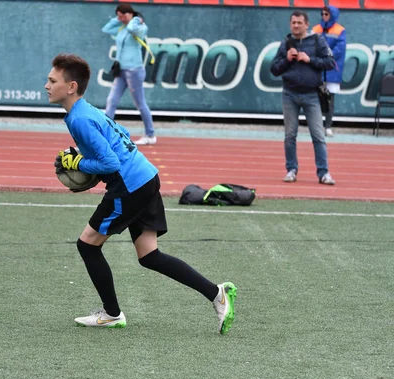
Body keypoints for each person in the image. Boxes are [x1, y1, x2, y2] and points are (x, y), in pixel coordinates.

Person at [45, 53, 237, 334]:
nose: (47, 85)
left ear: (71, 86)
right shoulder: (87, 110)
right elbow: (120, 134)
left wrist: (78, 163)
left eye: (52, 80)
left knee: (87, 244)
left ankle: (111, 314)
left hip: (130, 186)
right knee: (149, 256)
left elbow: (109, 162)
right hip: (146, 176)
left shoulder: (80, 119)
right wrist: (83, 159)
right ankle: (217, 294)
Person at [270, 10, 337, 185]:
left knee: (318, 135)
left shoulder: (317, 40)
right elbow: (274, 69)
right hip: (289, 94)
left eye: (299, 23)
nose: (296, 25)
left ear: (307, 24)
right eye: (293, 22)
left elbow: (331, 63)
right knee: (290, 135)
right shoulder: (285, 43)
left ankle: (323, 173)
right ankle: (291, 170)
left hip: (312, 94)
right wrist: (286, 59)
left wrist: (310, 60)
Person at [102, 3, 156, 145]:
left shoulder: (140, 27)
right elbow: (106, 29)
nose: (122, 19)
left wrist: (136, 19)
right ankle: (105, 134)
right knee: (111, 101)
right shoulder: (121, 27)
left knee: (140, 103)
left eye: (124, 15)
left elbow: (133, 28)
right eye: (119, 16)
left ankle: (150, 134)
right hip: (121, 71)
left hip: (134, 71)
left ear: (131, 13)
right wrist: (117, 19)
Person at [312, 6, 346, 138]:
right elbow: (311, 45)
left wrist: (325, 56)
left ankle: (328, 126)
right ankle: (317, 126)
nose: (324, 16)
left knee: (330, 99)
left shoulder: (340, 30)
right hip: (317, 69)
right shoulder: (316, 29)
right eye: (322, 13)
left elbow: (339, 49)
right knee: (316, 99)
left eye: (326, 14)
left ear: (332, 15)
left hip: (332, 70)